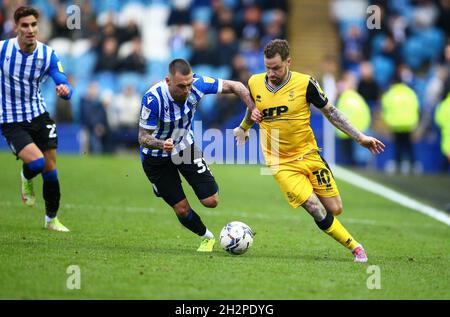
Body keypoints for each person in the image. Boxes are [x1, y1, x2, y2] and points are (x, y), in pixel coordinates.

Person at [233, 39, 385, 263]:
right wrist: (244, 126)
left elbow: (331, 112)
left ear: (289, 62)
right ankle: (355, 247)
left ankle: (334, 221)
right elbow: (253, 108)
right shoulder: (255, 82)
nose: (271, 73)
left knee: (335, 208)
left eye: (276, 67)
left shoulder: (305, 84)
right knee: (315, 207)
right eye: (267, 67)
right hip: (280, 163)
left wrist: (360, 136)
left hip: (309, 154)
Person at [138, 58, 255, 252]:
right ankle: (206, 237)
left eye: (189, 85)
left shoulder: (197, 85)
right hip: (155, 157)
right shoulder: (152, 99)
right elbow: (143, 137)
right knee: (182, 209)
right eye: (181, 86)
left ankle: (165, 188)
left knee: (211, 201)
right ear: (168, 81)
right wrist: (161, 144)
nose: (186, 90)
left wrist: (253, 109)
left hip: (185, 147)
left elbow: (237, 86)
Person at [0, 6, 73, 232]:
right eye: (24, 25)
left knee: (51, 171)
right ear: (16, 28)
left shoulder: (47, 54)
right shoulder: (3, 50)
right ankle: (26, 175)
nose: (30, 30)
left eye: (33, 25)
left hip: (39, 115)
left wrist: (65, 89)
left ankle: (51, 220)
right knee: (37, 163)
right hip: (12, 119)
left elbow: (62, 79)